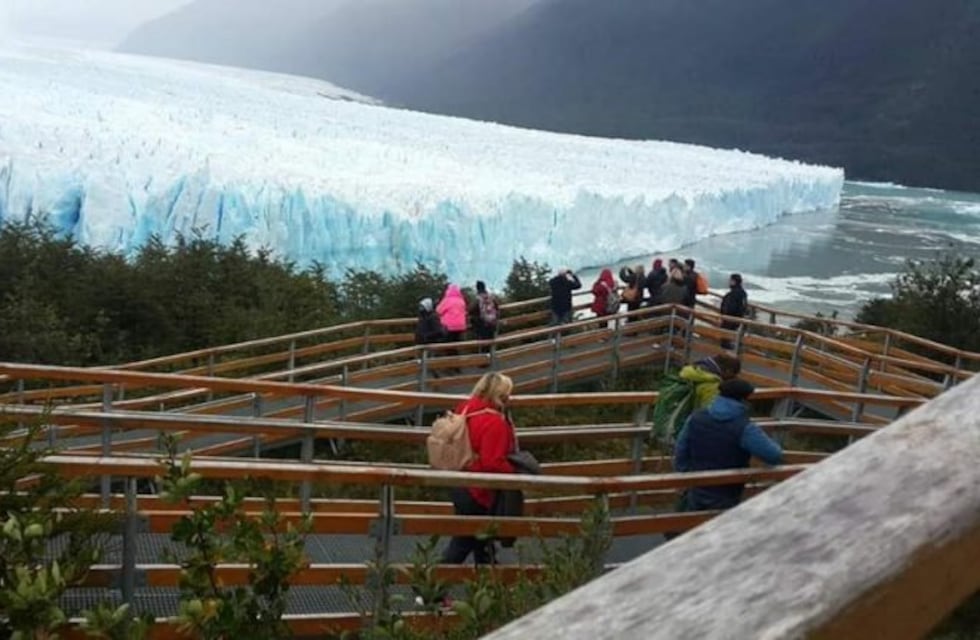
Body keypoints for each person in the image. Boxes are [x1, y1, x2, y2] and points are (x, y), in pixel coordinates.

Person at [441, 372, 517, 566]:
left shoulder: (467, 409)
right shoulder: (494, 423)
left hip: (459, 481)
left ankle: (490, 582)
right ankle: (428, 590)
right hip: (478, 491)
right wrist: (514, 474)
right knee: (464, 543)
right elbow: (492, 462)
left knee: (482, 542)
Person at [673, 379, 783, 512]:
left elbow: (681, 448)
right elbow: (773, 455)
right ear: (745, 400)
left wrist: (684, 474)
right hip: (726, 493)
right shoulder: (744, 427)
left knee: (692, 527)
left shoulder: (696, 418)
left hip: (695, 488)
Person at [720, 273, 748, 349]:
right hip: (737, 319)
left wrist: (724, 314)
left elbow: (730, 307)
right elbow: (744, 306)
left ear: (734, 281)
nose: (729, 282)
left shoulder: (733, 294)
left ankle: (725, 354)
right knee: (729, 338)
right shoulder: (743, 293)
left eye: (730, 280)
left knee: (725, 339)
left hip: (730, 319)